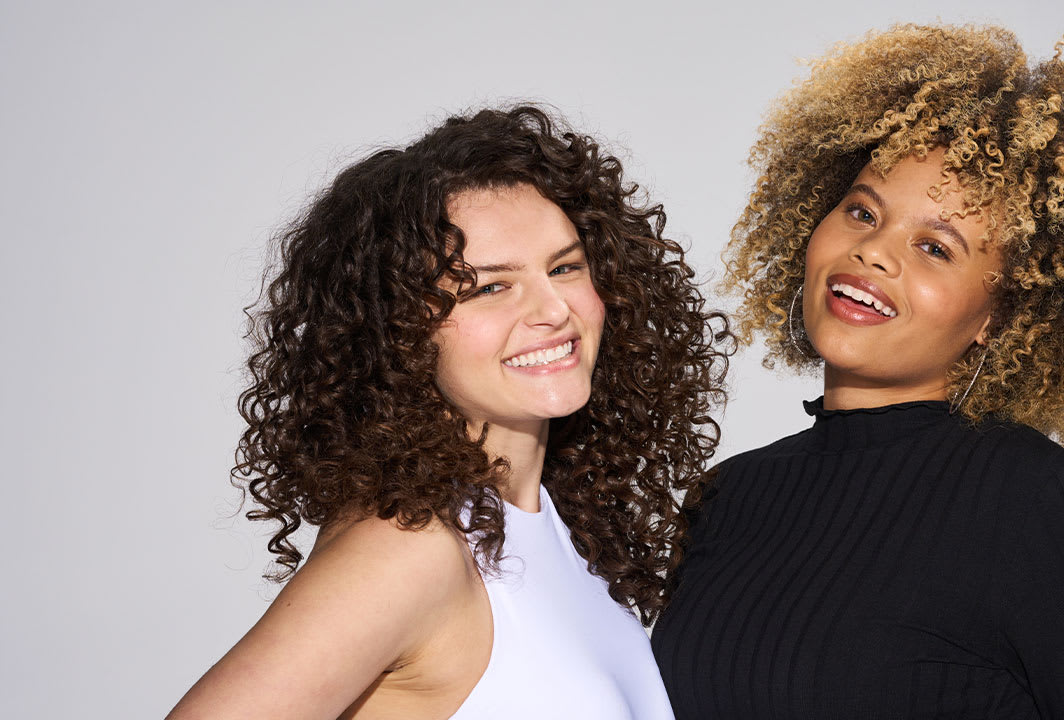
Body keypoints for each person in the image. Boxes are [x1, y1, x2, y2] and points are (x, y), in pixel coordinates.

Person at [651, 24, 1064, 720]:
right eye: (861, 211)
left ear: (996, 317)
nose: (875, 252)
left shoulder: (1035, 502)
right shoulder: (729, 498)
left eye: (936, 248)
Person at [169, 105, 727, 719]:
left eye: (564, 268)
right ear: (401, 330)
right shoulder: (409, 550)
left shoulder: (556, 531)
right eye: (491, 286)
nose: (553, 310)